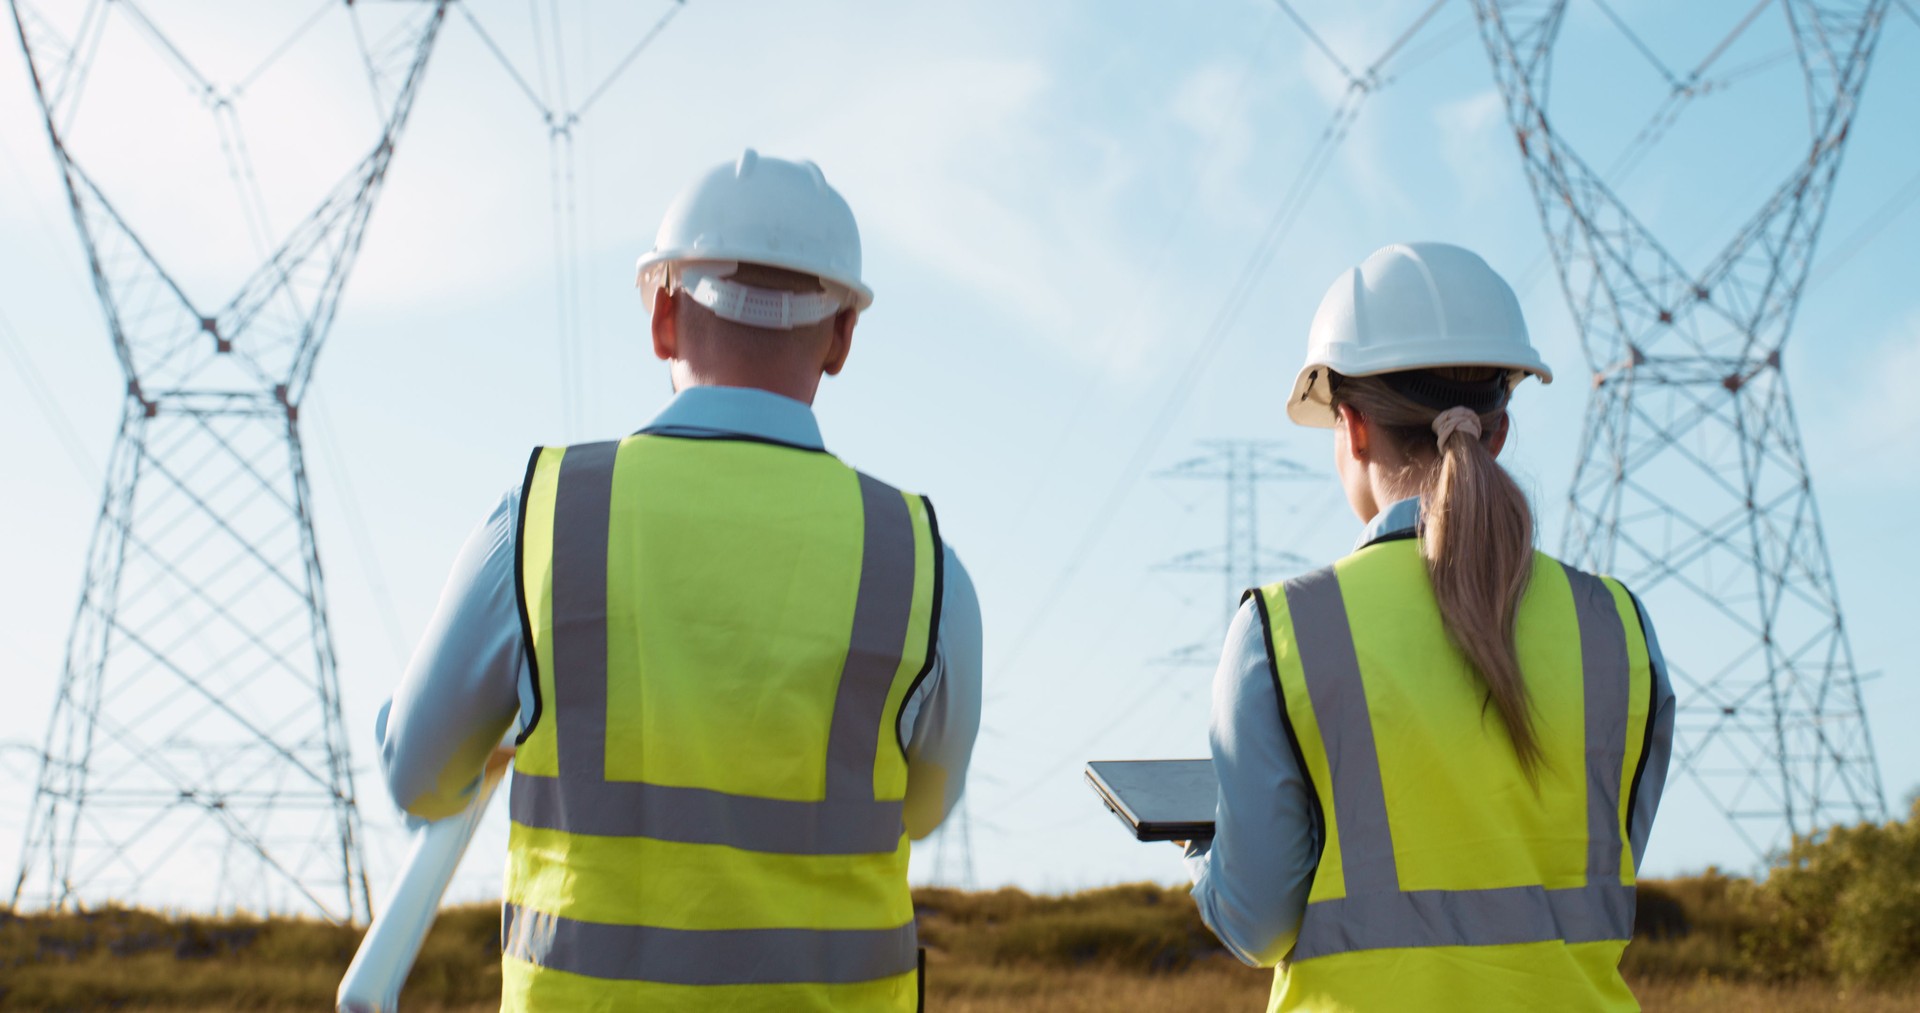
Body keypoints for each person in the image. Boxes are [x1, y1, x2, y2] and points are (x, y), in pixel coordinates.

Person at [376, 149, 982, 1011]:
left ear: (663, 313)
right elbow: (923, 809)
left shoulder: (544, 517)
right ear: (842, 337)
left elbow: (418, 774)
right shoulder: (920, 558)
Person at [1183, 242, 1675, 1011]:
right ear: (1499, 429)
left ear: (1350, 427)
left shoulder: (1280, 632)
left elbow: (1257, 922)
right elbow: (1602, 874)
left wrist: (1204, 852)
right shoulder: (1619, 628)